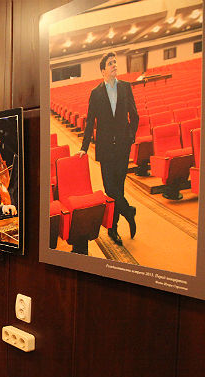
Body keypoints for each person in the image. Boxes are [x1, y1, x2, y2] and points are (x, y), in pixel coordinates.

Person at [76, 52, 138, 247]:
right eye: (110, 63)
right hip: (105, 149)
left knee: (117, 189)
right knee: (110, 189)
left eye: (115, 62)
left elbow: (134, 116)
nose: (114, 65)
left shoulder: (126, 87)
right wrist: (84, 147)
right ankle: (128, 211)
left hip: (122, 148)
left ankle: (113, 228)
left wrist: (130, 137)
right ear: (103, 70)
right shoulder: (96, 93)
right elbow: (90, 122)